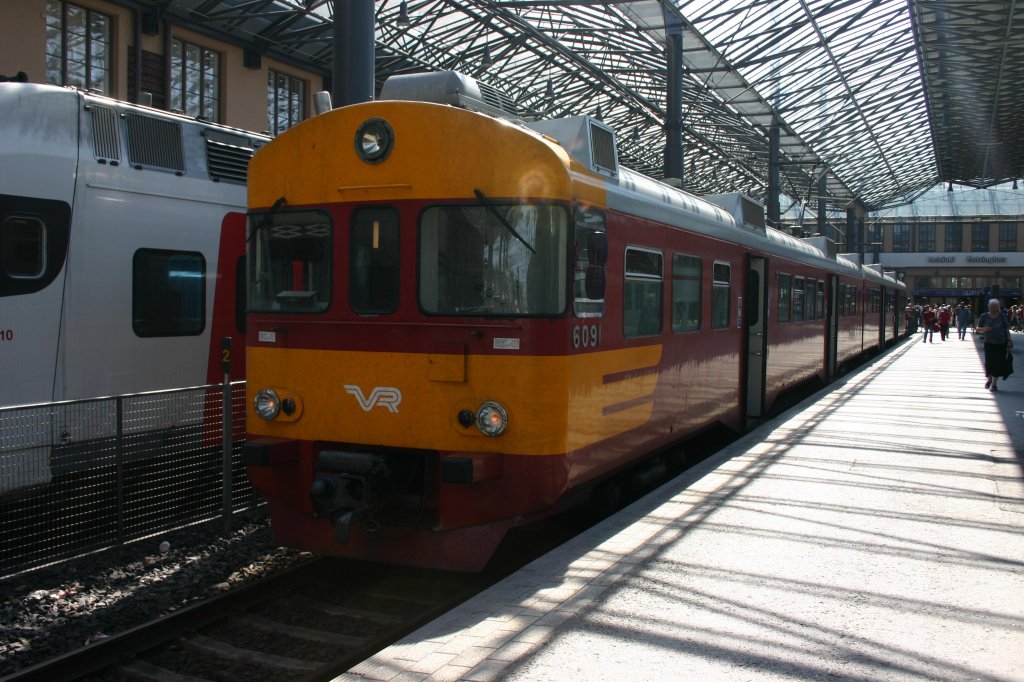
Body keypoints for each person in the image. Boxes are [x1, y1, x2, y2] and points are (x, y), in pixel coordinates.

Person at [976, 299, 1012, 391]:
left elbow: (1006, 329)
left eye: (995, 307)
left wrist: (1009, 340)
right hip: (988, 343)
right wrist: (984, 329)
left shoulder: (1002, 316)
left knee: (997, 363)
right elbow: (977, 328)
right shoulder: (984, 316)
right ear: (989, 307)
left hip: (1001, 343)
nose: (993, 308)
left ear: (998, 308)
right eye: (991, 307)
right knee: (989, 363)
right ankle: (989, 379)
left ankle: (994, 384)